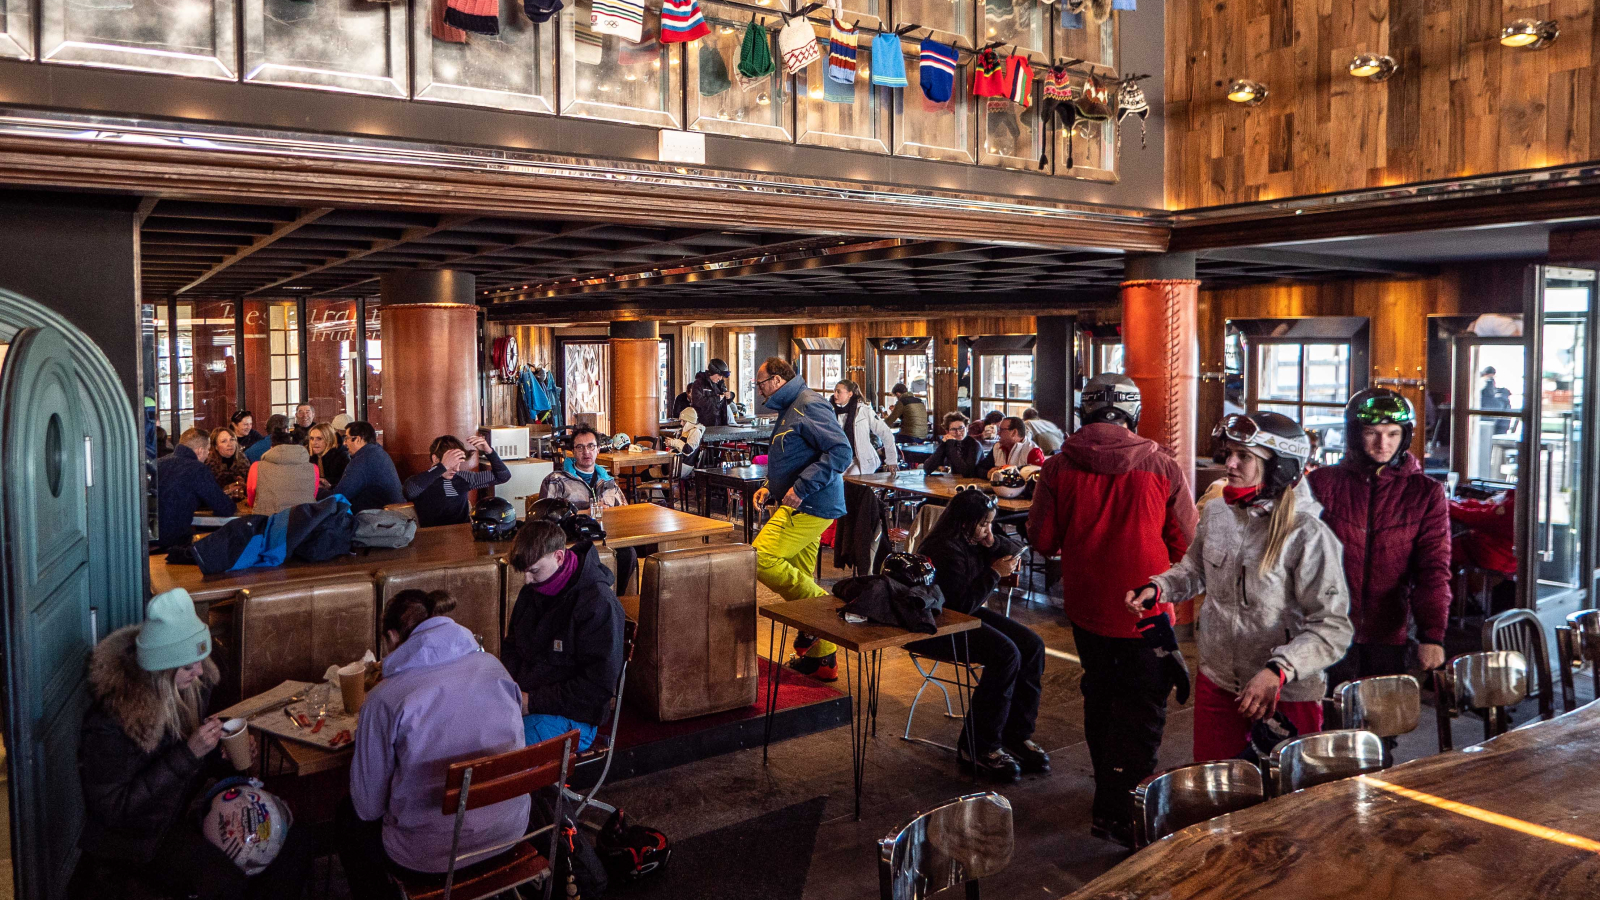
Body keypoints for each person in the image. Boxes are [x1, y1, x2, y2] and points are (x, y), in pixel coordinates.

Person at [1026, 374, 1198, 845]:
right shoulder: (1163, 465)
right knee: (1144, 708)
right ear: (1132, 414)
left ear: (1086, 412)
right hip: (1149, 611)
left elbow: (1041, 540)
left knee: (1101, 697)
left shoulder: (1059, 467)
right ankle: (1129, 813)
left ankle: (1109, 800)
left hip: (1087, 610)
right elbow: (1189, 541)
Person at [1128, 412, 1352, 764]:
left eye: (1244, 456)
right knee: (1216, 789)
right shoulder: (1218, 512)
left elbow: (1332, 627)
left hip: (1285, 693)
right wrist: (1159, 588)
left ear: (1279, 467)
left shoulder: (1307, 534)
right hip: (1218, 681)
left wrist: (1278, 670)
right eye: (1229, 453)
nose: (1229, 463)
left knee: (1284, 803)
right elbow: (1195, 570)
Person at [79, 588, 313, 900]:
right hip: (140, 840)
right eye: (189, 666)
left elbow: (193, 764)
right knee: (227, 880)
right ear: (163, 669)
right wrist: (189, 754)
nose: (200, 671)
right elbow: (114, 809)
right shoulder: (113, 720)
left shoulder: (192, 688)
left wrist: (222, 755)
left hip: (186, 808)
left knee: (294, 841)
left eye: (200, 661)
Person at [338, 590, 529, 900]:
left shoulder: (384, 699)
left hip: (429, 859)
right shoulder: (494, 668)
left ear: (391, 637)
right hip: (508, 833)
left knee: (348, 818)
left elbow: (368, 807)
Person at [1308, 389, 1451, 687]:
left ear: (1405, 435)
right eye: (1372, 433)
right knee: (1328, 725)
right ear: (1355, 434)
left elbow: (1433, 569)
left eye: (1392, 433)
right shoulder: (1321, 483)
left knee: (1383, 725)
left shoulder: (1425, 492)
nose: (1382, 443)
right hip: (1325, 625)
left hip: (1389, 632)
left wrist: (1432, 634)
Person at [905, 490, 1049, 782]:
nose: (988, 530)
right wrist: (994, 573)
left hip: (964, 617)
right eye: (984, 524)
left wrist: (994, 541)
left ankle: (1016, 734)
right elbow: (959, 606)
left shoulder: (975, 540)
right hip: (937, 624)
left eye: (991, 524)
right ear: (963, 522)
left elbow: (1016, 549)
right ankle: (978, 746)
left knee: (1032, 644)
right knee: (1006, 654)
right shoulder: (944, 548)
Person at [751, 357, 853, 680]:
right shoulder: (791, 406)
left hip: (811, 504)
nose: (759, 390)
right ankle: (823, 661)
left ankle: (825, 605)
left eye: (761, 383)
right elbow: (794, 454)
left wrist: (801, 486)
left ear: (778, 380)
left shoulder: (808, 404)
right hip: (803, 502)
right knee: (798, 575)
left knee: (760, 557)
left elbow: (841, 451)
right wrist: (770, 486)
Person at [502, 520, 626, 751]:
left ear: (559, 557)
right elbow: (512, 647)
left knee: (500, 750)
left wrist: (532, 702)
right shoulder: (533, 591)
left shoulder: (598, 604)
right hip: (526, 702)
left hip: (576, 719)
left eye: (534, 571)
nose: (527, 581)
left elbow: (598, 687)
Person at [539, 425, 635, 588]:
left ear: (598, 450)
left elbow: (625, 514)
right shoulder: (556, 480)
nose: (586, 452)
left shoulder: (609, 482)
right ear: (573, 452)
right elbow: (545, 519)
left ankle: (614, 602)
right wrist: (585, 513)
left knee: (629, 553)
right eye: (580, 447)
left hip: (607, 537)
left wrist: (611, 514)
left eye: (591, 446)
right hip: (573, 540)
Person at [402, 434, 512, 528]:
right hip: (433, 539)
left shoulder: (463, 478)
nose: (457, 469)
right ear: (435, 459)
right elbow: (409, 491)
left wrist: (489, 451)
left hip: (463, 534)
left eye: (459, 463)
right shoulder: (422, 481)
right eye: (452, 464)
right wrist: (443, 467)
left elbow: (503, 476)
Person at [154, 428, 237, 550]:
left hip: (147, 538)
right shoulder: (197, 469)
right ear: (200, 451)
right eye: (208, 450)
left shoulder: (157, 463)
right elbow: (224, 508)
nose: (208, 454)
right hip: (175, 542)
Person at [330, 421, 405, 513]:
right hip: (393, 516)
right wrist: (331, 486)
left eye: (347, 438)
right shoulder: (378, 453)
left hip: (376, 519)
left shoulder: (362, 460)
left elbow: (340, 495)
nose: (345, 443)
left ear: (358, 439)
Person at [246, 429, 321, 515]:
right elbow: (312, 495)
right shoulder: (313, 468)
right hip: (304, 522)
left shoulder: (256, 467)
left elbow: (251, 498)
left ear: (272, 447)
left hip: (268, 521)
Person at [832, 379, 899, 475]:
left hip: (861, 460)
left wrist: (891, 460)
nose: (835, 395)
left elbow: (885, 432)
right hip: (838, 458)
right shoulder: (829, 410)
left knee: (851, 480)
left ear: (849, 394)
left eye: (838, 392)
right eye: (834, 391)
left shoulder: (863, 410)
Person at [979, 415, 1045, 476]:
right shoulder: (997, 447)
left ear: (1014, 432)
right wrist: (987, 473)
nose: (998, 433)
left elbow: (1041, 477)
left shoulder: (1033, 451)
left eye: (1001, 430)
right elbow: (979, 469)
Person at [923, 412, 982, 476]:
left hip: (973, 483)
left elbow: (966, 472)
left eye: (961, 428)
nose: (958, 432)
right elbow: (927, 468)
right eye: (953, 429)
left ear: (967, 428)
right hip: (955, 481)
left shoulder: (975, 445)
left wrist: (951, 446)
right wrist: (943, 445)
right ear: (947, 432)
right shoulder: (949, 443)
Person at [205, 426, 250, 501]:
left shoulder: (243, 460)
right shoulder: (208, 463)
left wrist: (245, 486)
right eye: (224, 441)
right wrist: (226, 490)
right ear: (216, 446)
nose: (229, 444)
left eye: (232, 440)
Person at [690, 358, 737, 427]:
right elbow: (697, 402)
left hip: (720, 423)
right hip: (704, 423)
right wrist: (717, 399)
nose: (720, 378)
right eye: (719, 375)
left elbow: (725, 403)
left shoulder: (720, 384)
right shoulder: (699, 383)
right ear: (713, 372)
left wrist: (730, 396)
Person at [307, 421, 350, 490]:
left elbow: (347, 482)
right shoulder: (308, 457)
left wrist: (328, 483)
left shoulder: (342, 456)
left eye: (319, 439)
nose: (314, 442)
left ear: (329, 439)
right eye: (312, 438)